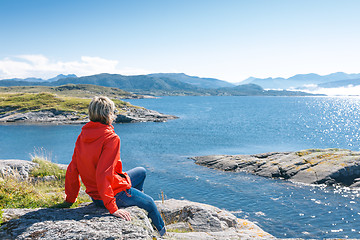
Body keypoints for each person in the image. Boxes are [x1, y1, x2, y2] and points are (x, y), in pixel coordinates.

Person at [65, 96, 166, 236]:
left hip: (97, 194)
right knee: (149, 203)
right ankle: (163, 235)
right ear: (108, 114)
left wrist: (70, 199)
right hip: (111, 194)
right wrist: (112, 208)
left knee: (141, 172)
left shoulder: (83, 135)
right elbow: (103, 174)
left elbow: (72, 169)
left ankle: (133, 200)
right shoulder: (111, 138)